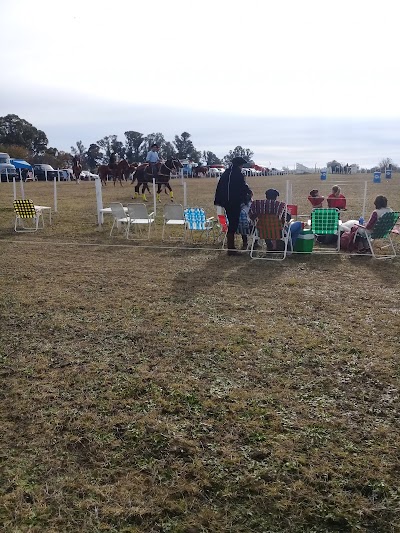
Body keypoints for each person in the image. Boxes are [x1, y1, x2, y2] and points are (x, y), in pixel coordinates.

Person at [214, 157, 252, 255]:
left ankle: (232, 247)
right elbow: (243, 187)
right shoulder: (238, 174)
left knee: (232, 222)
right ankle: (231, 249)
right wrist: (248, 193)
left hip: (226, 202)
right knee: (234, 223)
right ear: (240, 165)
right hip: (234, 202)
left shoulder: (226, 173)